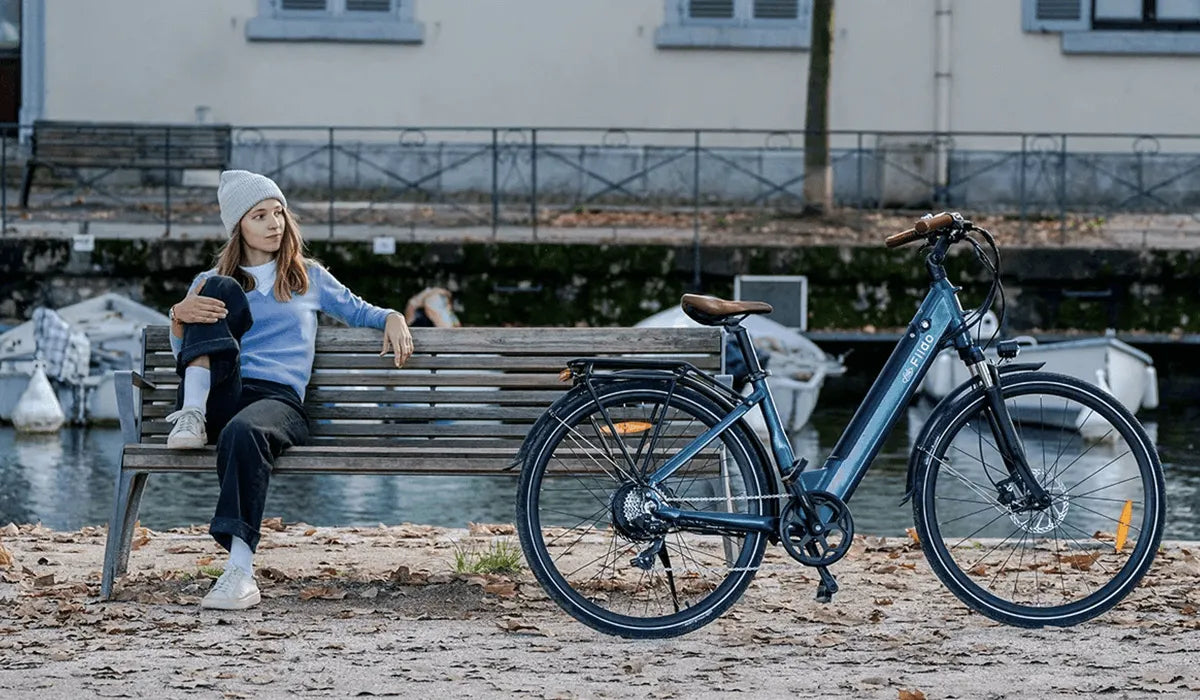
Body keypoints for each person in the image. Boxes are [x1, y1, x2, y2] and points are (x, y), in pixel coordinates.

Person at [165, 170, 413, 611]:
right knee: (217, 288)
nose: (274, 223)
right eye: (259, 215)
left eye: (278, 212)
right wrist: (178, 316)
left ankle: (239, 572)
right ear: (238, 225)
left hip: (277, 403)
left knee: (244, 432)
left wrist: (392, 315)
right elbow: (185, 352)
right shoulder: (209, 280)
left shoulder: (306, 277)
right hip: (221, 393)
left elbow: (360, 311)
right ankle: (193, 415)